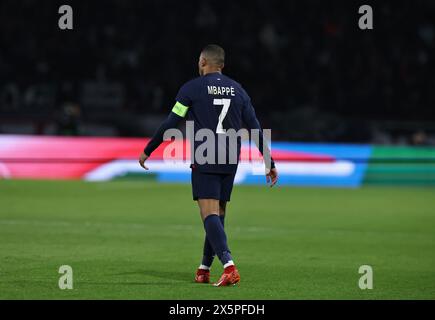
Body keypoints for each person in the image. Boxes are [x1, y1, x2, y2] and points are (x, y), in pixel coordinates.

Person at [139, 44, 278, 286]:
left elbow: (172, 122)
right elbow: (255, 127)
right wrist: (269, 161)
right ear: (222, 65)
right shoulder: (239, 91)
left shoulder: (191, 88)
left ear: (203, 61)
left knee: (208, 213)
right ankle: (204, 268)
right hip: (231, 157)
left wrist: (148, 149)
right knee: (219, 213)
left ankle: (229, 265)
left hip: (206, 154)